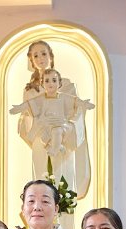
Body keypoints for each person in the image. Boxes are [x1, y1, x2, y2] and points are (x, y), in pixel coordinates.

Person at [17, 40, 92, 198]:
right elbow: (26, 118)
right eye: (35, 56)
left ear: (51, 56)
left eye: (43, 53)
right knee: (41, 177)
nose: (40, 58)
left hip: (63, 137)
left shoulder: (66, 85)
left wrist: (64, 128)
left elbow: (76, 111)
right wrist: (41, 129)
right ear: (31, 61)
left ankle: (64, 207)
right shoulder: (30, 91)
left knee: (63, 179)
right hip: (40, 139)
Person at [10, 69, 94, 160]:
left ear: (59, 83)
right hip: (45, 125)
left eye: (54, 80)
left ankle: (54, 149)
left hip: (60, 124)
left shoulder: (63, 97)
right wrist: (19, 108)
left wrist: (85, 104)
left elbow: (75, 101)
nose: (50, 83)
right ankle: (57, 147)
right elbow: (30, 103)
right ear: (42, 84)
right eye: (47, 81)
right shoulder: (41, 98)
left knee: (56, 131)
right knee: (42, 136)